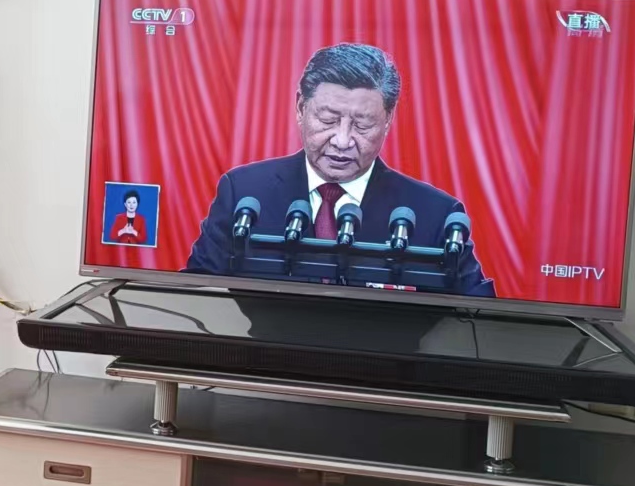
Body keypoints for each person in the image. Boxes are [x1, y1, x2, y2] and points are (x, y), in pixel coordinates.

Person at [186, 42, 494, 296]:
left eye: (363, 125)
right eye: (329, 120)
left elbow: (477, 317)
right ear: (300, 107)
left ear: (388, 120)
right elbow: (197, 295)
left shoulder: (435, 214)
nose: (343, 141)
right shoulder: (244, 192)